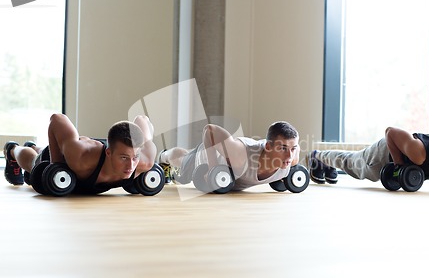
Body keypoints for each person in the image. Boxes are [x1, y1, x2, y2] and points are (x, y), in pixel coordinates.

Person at [3, 113, 157, 194]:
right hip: (69, 156)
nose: (131, 165)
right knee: (33, 161)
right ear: (109, 153)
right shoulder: (81, 158)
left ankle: (34, 146)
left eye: (134, 157)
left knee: (37, 150)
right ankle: (12, 150)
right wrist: (56, 165)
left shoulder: (144, 162)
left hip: (100, 151)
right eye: (124, 158)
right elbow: (57, 119)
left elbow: (142, 119)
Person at [158, 121, 300, 191]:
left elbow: (293, 150)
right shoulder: (241, 156)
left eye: (293, 148)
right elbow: (210, 130)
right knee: (182, 161)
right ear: (268, 147)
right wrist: (212, 168)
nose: (289, 155)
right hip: (207, 156)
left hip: (231, 163)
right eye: (283, 148)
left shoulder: (292, 158)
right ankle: (164, 156)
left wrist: (290, 149)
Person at [307, 126, 429, 183]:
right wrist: (399, 164)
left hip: (403, 151)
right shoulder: (419, 153)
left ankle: (324, 162)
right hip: (383, 155)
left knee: (350, 161)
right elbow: (390, 131)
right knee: (351, 162)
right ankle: (317, 157)